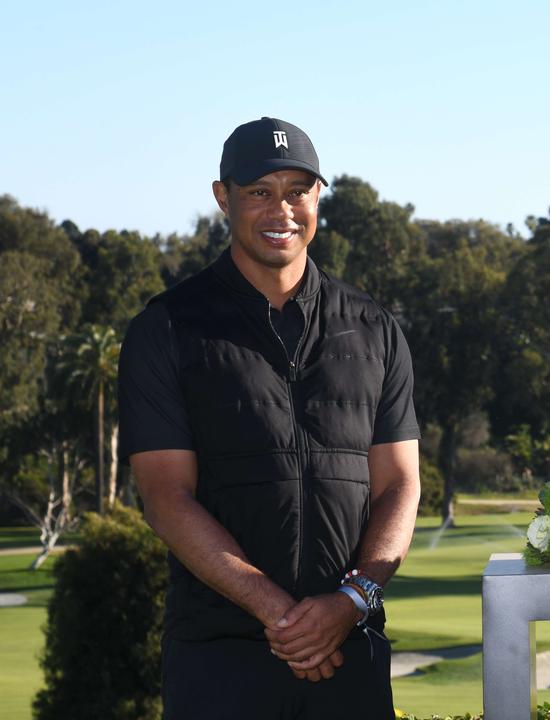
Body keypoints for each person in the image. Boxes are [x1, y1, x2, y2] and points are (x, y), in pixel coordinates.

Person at [119, 117, 421, 719]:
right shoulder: (168, 328)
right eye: (259, 191)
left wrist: (348, 603)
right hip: (220, 663)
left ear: (317, 199)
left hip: (350, 653)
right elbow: (165, 496)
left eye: (297, 191)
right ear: (223, 197)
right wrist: (282, 616)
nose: (280, 209)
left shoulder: (374, 328)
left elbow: (400, 484)